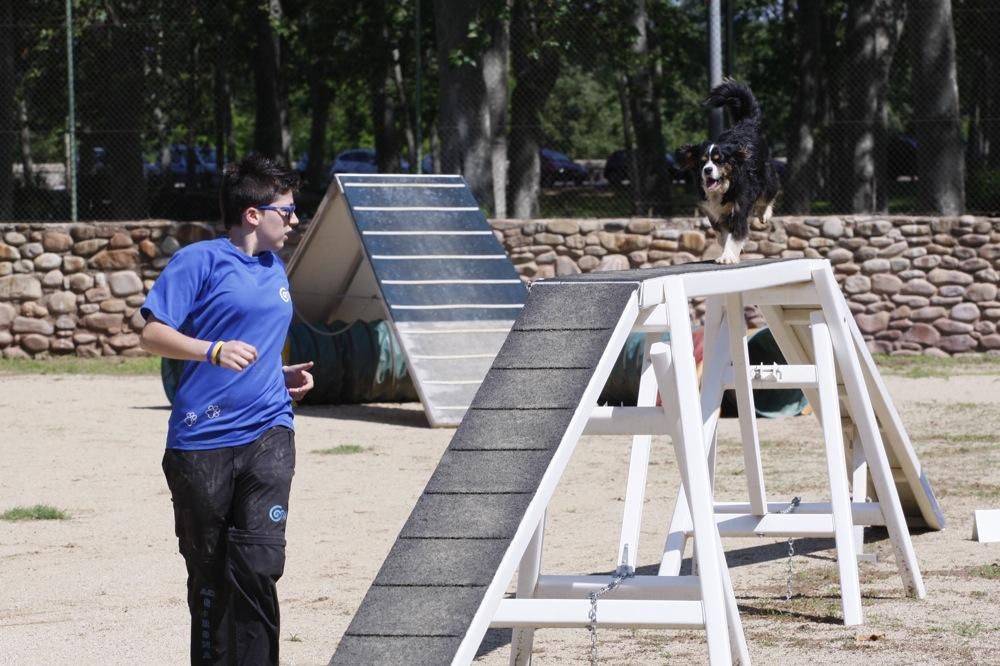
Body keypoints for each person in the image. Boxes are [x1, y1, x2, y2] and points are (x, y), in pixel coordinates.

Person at [139, 153, 314, 664]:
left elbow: (254, 346)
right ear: (254, 214)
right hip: (201, 441)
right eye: (288, 209)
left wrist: (277, 377)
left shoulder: (274, 267)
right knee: (210, 576)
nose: (295, 218)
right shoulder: (199, 261)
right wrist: (211, 349)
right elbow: (151, 334)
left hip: (269, 430)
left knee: (259, 564)